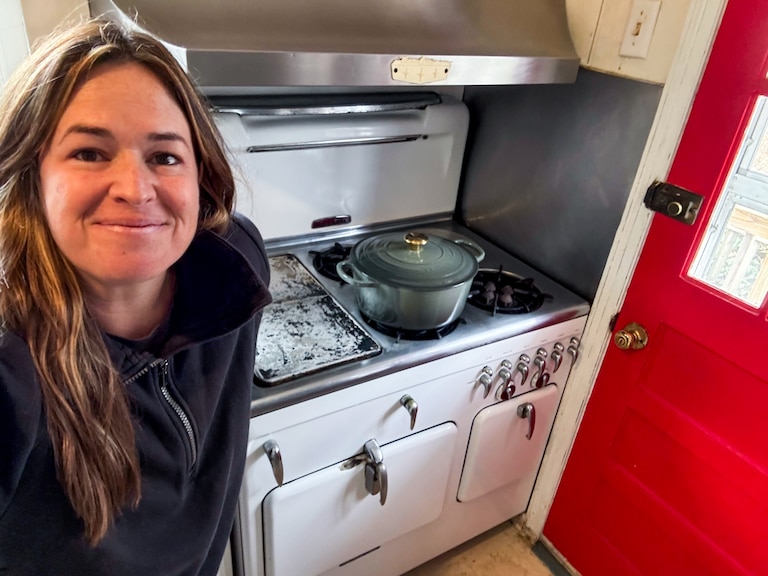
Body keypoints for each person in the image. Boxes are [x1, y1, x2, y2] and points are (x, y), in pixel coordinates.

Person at [0, 16, 271, 576]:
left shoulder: (237, 262)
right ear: (34, 178)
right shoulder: (12, 365)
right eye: (90, 153)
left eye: (165, 156)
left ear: (201, 176)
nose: (133, 188)